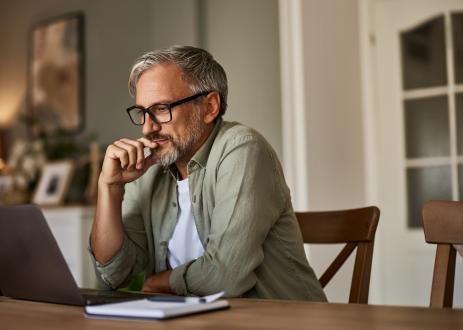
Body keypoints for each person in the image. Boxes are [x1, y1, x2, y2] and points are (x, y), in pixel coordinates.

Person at [89, 45, 326, 301]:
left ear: (210, 106)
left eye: (161, 109)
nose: (147, 129)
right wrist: (109, 187)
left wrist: (155, 284)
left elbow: (225, 276)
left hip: (281, 320)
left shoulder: (242, 148)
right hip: (193, 319)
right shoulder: (148, 168)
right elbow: (113, 275)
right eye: (143, 113)